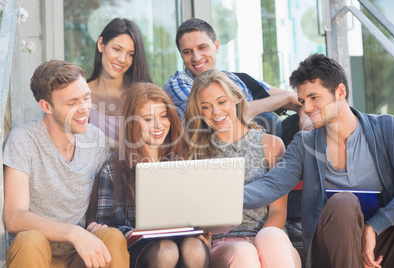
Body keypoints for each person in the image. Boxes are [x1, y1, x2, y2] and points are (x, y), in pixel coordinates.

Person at [240, 54, 394, 268]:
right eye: (302, 101)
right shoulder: (304, 143)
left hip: (384, 241)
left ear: (340, 92)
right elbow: (272, 185)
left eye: (314, 98)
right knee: (343, 203)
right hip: (331, 249)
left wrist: (374, 227)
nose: (306, 108)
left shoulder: (387, 129)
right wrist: (225, 196)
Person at [3, 60, 130, 268]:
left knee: (112, 237)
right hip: (37, 249)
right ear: (46, 106)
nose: (84, 109)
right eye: (72, 103)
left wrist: (90, 227)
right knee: (29, 239)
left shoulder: (95, 140)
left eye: (86, 98)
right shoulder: (23, 140)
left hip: (78, 252)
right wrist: (73, 232)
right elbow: (14, 217)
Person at [185, 69, 302, 268]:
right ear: (200, 112)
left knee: (270, 237)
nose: (216, 112)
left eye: (222, 102)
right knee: (243, 252)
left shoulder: (271, 145)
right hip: (225, 245)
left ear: (237, 99)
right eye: (206, 107)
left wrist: (259, 248)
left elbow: (278, 213)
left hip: (271, 241)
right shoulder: (196, 153)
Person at [96, 82, 210, 268]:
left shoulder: (184, 160)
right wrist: (141, 232)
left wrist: (202, 229)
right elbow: (107, 226)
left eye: (164, 116)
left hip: (184, 241)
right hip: (140, 250)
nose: (158, 125)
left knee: (195, 248)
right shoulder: (113, 167)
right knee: (166, 250)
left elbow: (197, 210)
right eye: (148, 119)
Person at [164, 18, 309, 139]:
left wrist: (303, 115)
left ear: (216, 46)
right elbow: (210, 117)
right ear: (182, 55)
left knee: (302, 123)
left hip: (263, 147)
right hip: (218, 152)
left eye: (202, 47)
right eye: (188, 52)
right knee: (268, 120)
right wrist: (287, 98)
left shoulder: (237, 78)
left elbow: (300, 99)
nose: (196, 57)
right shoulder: (177, 84)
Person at [87, 18, 153, 147]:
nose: (122, 59)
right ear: (101, 44)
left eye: (131, 54)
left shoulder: (143, 94)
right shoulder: (81, 94)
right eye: (117, 49)